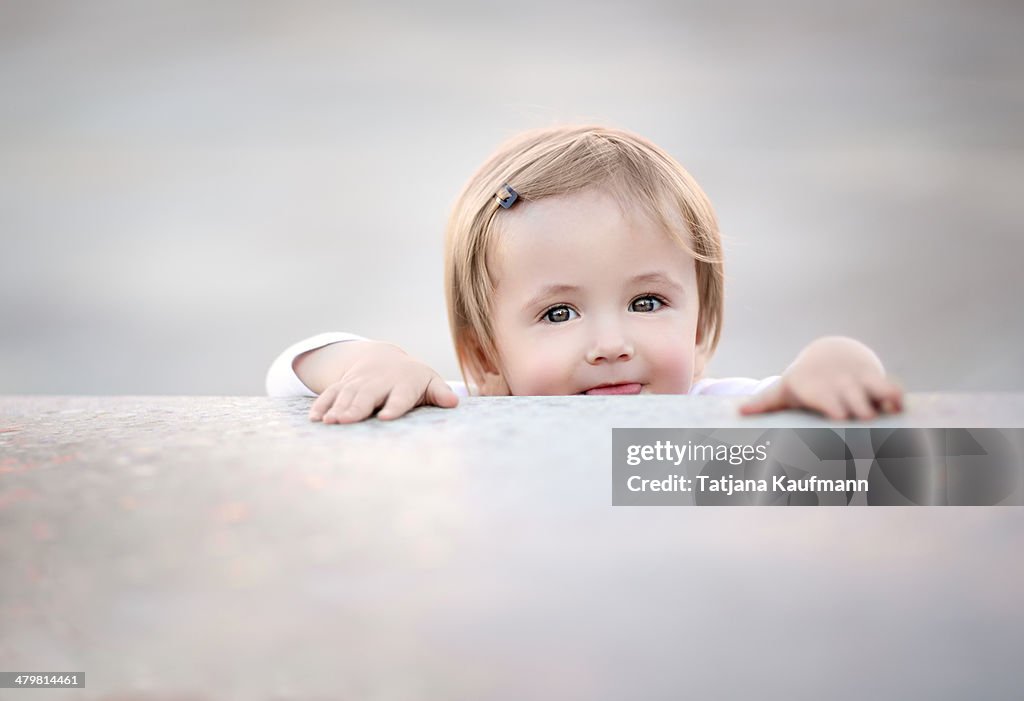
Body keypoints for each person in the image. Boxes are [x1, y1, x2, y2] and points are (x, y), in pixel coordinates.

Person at [266, 125, 903, 423]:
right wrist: (369, 362)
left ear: (703, 328)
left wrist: (839, 361)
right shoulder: (478, 411)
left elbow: (867, 450)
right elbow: (290, 372)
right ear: (486, 356)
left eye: (648, 303)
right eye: (559, 313)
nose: (611, 344)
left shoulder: (723, 411)